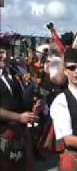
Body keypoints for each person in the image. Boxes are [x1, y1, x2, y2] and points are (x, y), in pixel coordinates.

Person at [0, 37, 41, 171]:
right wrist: (18, 117)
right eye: (1, 52)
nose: (5, 56)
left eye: (7, 52)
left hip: (21, 134)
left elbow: (25, 98)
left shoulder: (15, 72)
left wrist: (36, 106)